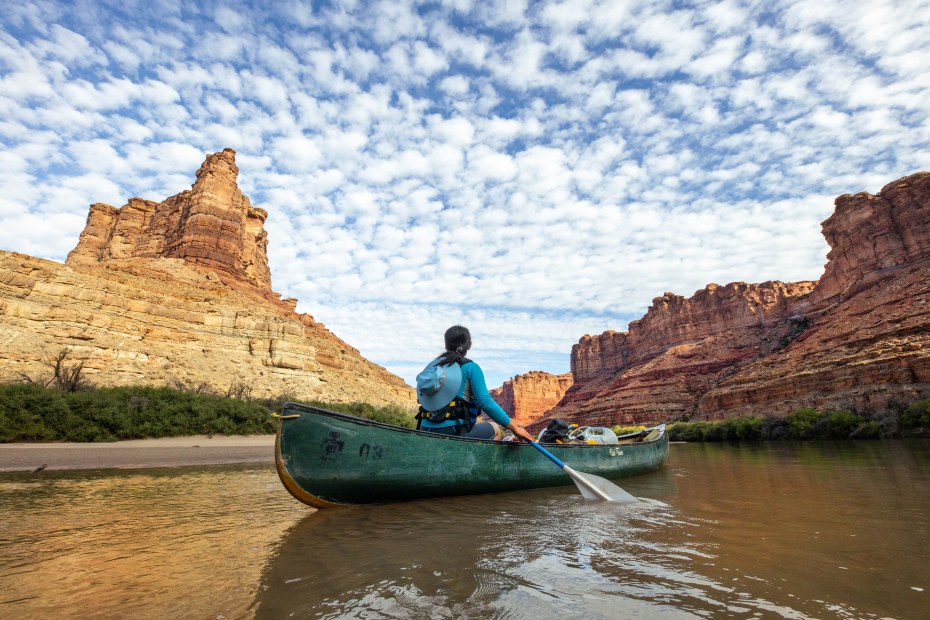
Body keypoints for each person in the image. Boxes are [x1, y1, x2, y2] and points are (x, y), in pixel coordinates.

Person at [416, 325, 536, 442]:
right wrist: (515, 428)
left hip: (425, 429)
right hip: (454, 432)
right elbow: (486, 402)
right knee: (495, 428)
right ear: (469, 345)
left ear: (446, 344)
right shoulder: (470, 367)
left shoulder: (433, 367)